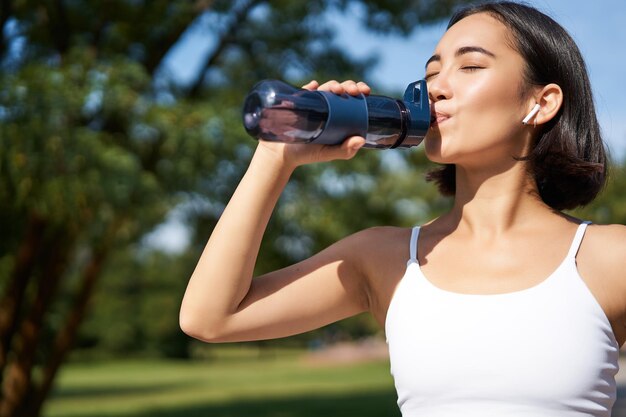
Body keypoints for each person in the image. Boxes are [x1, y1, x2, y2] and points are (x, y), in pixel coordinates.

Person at [180, 1, 626, 415]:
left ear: (540, 102)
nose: (436, 89)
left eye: (470, 66)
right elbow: (211, 318)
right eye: (431, 73)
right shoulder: (385, 258)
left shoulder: (609, 258)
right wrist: (277, 157)